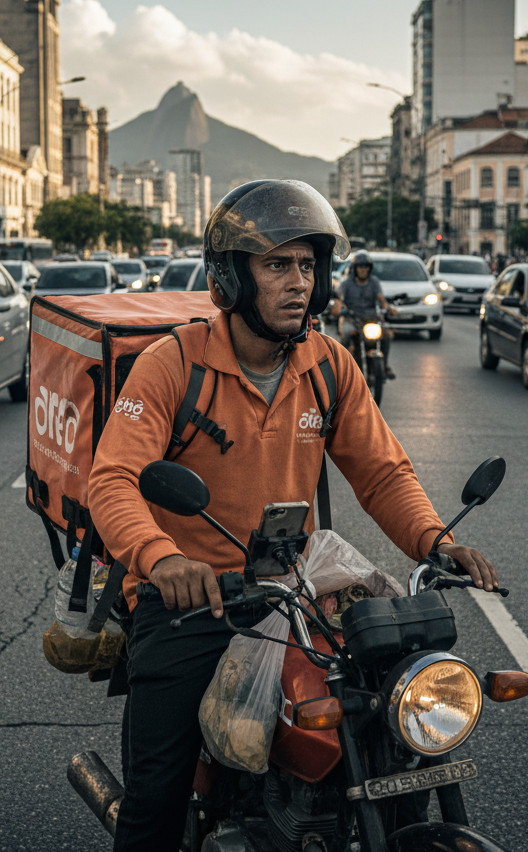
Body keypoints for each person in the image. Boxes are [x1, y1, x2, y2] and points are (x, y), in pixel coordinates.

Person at [87, 179, 499, 852]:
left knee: (380, 709)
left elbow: (382, 471)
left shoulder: (328, 365)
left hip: (296, 590)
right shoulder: (173, 364)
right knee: (155, 792)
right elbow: (114, 481)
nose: (297, 282)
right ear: (229, 275)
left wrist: (435, 540)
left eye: (307, 266)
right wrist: (164, 560)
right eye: (277, 264)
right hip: (193, 601)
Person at [328, 249, 395, 379]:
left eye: (366, 267)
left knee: (386, 336)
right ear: (355, 268)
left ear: (370, 269)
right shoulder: (346, 284)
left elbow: (381, 299)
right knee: (346, 336)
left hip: (371, 319)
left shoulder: (374, 282)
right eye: (360, 267)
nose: (363, 270)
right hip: (352, 319)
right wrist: (339, 306)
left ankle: (384, 366)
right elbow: (339, 298)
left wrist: (389, 308)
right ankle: (341, 369)